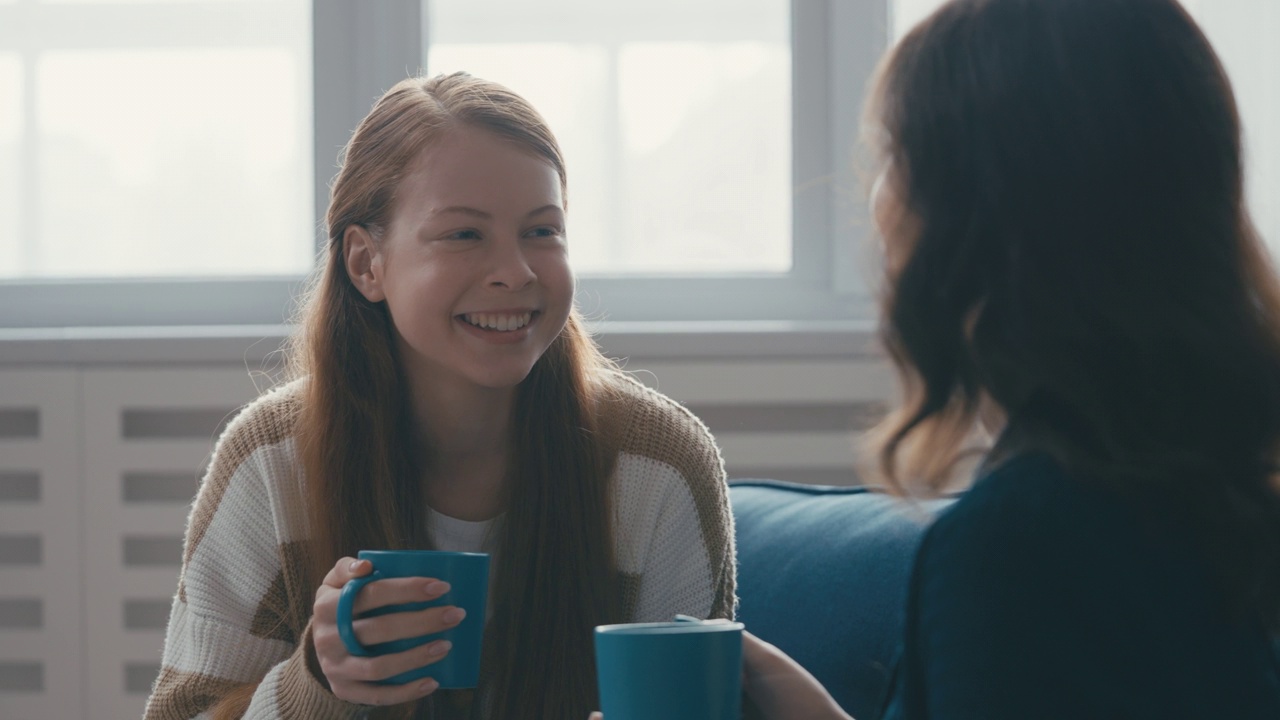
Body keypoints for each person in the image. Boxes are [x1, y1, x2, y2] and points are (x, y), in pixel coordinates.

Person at [737, 0, 1280, 718]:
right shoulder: (1227, 492)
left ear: (974, 217)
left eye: (895, 156)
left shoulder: (1015, 552)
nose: (876, 201)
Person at [142, 71, 736, 720]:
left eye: (542, 231)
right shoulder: (269, 465)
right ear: (367, 263)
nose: (516, 272)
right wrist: (318, 684)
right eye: (464, 235)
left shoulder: (659, 468)